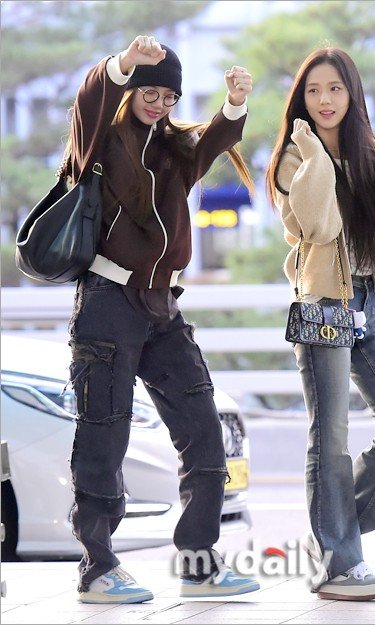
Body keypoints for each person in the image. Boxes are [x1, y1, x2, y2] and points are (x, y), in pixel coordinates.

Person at [65, 34, 260, 604]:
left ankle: (199, 563)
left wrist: (235, 103)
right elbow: (91, 100)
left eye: (169, 96)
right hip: (108, 302)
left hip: (162, 307)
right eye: (149, 92)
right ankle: (97, 569)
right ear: (132, 91)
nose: (159, 103)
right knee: (105, 433)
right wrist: (123, 64)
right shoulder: (100, 140)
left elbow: (216, 139)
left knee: (203, 427)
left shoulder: (175, 149)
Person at [266, 47, 375, 601]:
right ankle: (339, 562)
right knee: (331, 435)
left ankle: (336, 535)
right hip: (322, 304)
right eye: (314, 90)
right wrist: (315, 156)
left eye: (335, 88)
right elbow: (317, 226)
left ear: (352, 94)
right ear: (302, 98)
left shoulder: (371, 154)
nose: (325, 99)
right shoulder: (292, 158)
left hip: (370, 303)